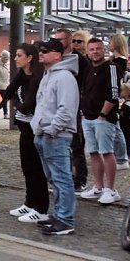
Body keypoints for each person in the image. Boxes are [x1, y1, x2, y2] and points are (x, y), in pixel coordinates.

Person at [30, 38, 79, 235]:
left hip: (56, 135)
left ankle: (65, 219)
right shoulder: (49, 75)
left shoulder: (64, 77)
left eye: (46, 50)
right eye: (41, 50)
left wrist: (52, 130)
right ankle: (60, 215)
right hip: (45, 133)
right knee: (54, 178)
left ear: (57, 55)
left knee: (61, 178)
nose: (41, 53)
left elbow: (66, 109)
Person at [4, 43, 49, 223]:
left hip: (34, 127)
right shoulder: (22, 75)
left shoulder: (37, 78)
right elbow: (7, 92)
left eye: (19, 55)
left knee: (36, 168)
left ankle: (41, 208)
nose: (15, 59)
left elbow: (27, 106)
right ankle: (30, 202)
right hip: (24, 125)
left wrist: (15, 102)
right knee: (27, 166)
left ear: (30, 58)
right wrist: (16, 100)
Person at [79, 38, 122, 205]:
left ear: (103, 50)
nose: (95, 52)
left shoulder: (111, 67)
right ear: (87, 52)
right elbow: (84, 90)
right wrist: (83, 112)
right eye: (91, 49)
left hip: (103, 118)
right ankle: (98, 186)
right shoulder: (88, 69)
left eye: (98, 48)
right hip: (88, 118)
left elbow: (114, 93)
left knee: (107, 152)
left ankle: (110, 190)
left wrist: (103, 115)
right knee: (93, 152)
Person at [57, 28, 90, 192]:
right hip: (59, 104)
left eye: (61, 39)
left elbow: (85, 83)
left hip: (75, 105)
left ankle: (80, 179)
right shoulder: (56, 57)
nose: (58, 43)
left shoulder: (80, 60)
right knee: (60, 142)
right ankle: (64, 176)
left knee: (76, 143)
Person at [108, 33, 130, 170]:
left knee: (116, 129)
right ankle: (120, 157)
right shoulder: (115, 60)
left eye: (110, 42)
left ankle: (122, 158)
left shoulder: (119, 61)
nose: (108, 45)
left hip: (113, 96)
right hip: (113, 95)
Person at [118, 83, 130, 165]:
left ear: (124, 92)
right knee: (128, 140)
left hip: (127, 126)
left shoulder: (127, 105)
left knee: (127, 140)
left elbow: (128, 116)